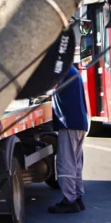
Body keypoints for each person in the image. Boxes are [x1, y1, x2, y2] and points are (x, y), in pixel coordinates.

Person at [48, 65, 89, 214]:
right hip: (78, 122)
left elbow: (48, 85)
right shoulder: (71, 69)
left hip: (69, 123)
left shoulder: (61, 69)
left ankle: (69, 200)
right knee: (75, 164)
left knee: (66, 164)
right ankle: (77, 197)